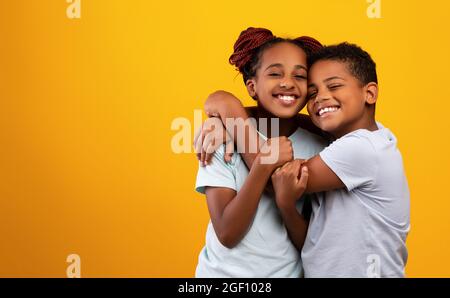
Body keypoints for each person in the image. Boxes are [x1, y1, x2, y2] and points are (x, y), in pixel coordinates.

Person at [198, 42, 410, 277]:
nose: (321, 98)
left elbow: (277, 177)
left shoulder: (360, 147)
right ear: (252, 85)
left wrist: (230, 110)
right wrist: (231, 115)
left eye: (335, 86)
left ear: (369, 93)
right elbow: (312, 242)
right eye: (313, 92)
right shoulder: (342, 143)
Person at [193, 27, 326, 277]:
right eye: (275, 73)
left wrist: (228, 107)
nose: (287, 82)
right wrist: (262, 165)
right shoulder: (222, 137)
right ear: (252, 87)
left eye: (300, 76)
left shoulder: (320, 146)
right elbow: (227, 233)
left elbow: (312, 242)